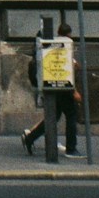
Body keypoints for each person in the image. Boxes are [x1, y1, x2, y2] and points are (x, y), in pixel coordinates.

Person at [20, 22, 82, 158]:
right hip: (64, 87)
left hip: (52, 87)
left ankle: (30, 138)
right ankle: (71, 149)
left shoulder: (51, 43)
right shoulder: (67, 44)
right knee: (71, 116)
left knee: (52, 117)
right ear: (69, 33)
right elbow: (66, 70)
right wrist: (74, 91)